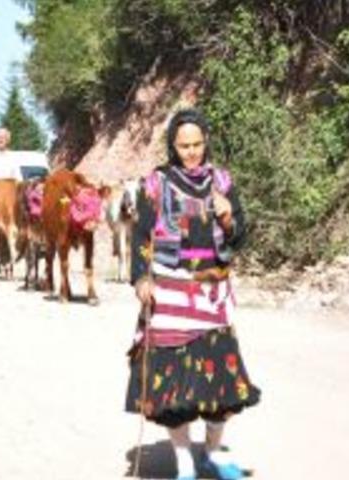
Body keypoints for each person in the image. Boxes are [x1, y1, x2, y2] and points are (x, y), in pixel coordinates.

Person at [125, 109, 260, 480]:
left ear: (206, 141)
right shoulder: (156, 184)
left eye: (197, 144)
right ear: (173, 144)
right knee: (172, 388)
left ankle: (213, 454)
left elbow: (240, 235)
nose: (191, 152)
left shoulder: (222, 181)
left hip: (210, 293)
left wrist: (229, 217)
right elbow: (140, 236)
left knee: (223, 384)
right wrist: (141, 280)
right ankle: (184, 460)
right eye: (183, 146)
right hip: (169, 289)